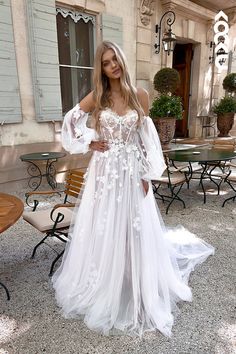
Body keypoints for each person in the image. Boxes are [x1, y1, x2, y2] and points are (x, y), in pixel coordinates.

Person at [52, 41, 214, 337]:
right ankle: (105, 281)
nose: (112, 65)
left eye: (115, 59)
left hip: (130, 170)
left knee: (133, 226)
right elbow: (69, 120)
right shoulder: (98, 97)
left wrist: (146, 173)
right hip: (104, 170)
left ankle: (135, 281)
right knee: (106, 224)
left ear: (122, 60)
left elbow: (144, 137)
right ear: (100, 68)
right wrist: (89, 141)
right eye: (106, 62)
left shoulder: (139, 94)